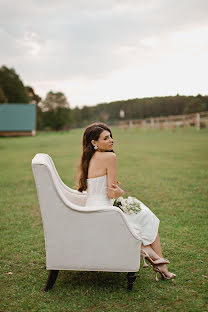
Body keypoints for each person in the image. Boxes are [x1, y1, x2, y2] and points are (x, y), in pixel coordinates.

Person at [76, 122, 176, 281]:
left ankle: (154, 258)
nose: (111, 140)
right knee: (146, 217)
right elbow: (111, 193)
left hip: (92, 207)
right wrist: (120, 192)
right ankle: (159, 263)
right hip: (105, 209)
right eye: (105, 138)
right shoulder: (110, 156)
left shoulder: (89, 157)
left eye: (111, 136)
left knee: (143, 216)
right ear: (94, 143)